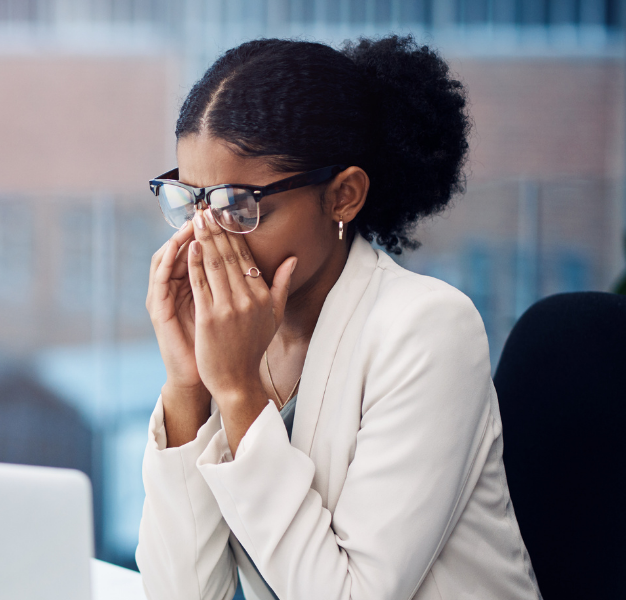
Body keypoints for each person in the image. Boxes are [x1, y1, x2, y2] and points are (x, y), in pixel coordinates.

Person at [137, 36, 539, 600]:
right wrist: (188, 387)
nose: (203, 239)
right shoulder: (241, 343)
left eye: (239, 205)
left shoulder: (428, 329)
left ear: (343, 196)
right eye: (192, 202)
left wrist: (237, 391)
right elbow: (183, 593)